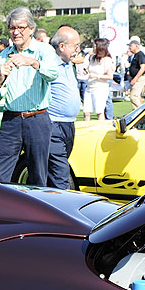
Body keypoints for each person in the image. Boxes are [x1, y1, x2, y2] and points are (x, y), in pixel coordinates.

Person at [0, 7, 58, 187]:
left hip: (37, 119)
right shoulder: (2, 56)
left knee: (38, 175)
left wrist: (32, 62)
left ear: (31, 29)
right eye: (12, 28)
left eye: (21, 27)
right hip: (10, 121)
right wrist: (0, 79)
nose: (16, 32)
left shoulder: (44, 50)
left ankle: (39, 214)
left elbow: (53, 74)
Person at [46, 26, 82, 190]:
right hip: (54, 124)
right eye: (75, 46)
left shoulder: (69, 64)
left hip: (69, 124)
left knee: (55, 171)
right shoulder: (49, 64)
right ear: (62, 46)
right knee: (60, 173)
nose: (78, 50)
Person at [80, 38, 112, 121]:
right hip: (89, 87)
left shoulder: (107, 60)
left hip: (100, 88)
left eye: (94, 46)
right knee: (86, 112)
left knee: (99, 112)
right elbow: (87, 68)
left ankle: (101, 130)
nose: (93, 48)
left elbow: (110, 76)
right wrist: (85, 71)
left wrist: (96, 76)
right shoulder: (91, 58)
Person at [127, 36, 145, 108]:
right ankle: (135, 113)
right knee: (136, 96)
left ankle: (142, 112)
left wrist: (135, 78)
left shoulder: (140, 55)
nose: (129, 48)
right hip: (135, 78)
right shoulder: (134, 55)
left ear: (136, 46)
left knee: (133, 97)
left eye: (131, 46)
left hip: (139, 78)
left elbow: (142, 68)